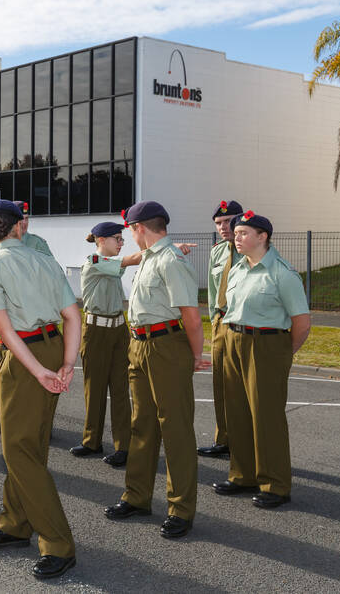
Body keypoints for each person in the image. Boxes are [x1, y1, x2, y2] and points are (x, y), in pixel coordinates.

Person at [0, 199, 80, 581]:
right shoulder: (46, 261)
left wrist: (36, 371)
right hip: (51, 344)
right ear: (21, 226)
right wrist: (66, 364)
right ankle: (15, 523)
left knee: (18, 451)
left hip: (25, 356)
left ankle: (58, 543)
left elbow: (5, 331)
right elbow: (72, 315)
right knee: (30, 444)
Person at [104, 201, 208, 541]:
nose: (129, 236)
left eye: (129, 230)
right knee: (142, 425)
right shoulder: (151, 257)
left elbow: (190, 315)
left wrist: (196, 355)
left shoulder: (169, 260)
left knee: (175, 428)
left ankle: (180, 509)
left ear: (139, 228)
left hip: (166, 348)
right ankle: (137, 497)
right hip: (140, 345)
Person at [212, 211, 311, 509]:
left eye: (243, 232)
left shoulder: (283, 273)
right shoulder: (238, 268)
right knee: (236, 412)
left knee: (266, 417)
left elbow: (302, 323)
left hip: (267, 345)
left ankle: (275, 484)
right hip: (234, 339)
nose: (235, 236)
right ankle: (243, 475)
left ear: (262, 236)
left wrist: (282, 354)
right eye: (236, 232)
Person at [0, 200, 53, 431]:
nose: (25, 223)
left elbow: (48, 279)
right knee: (6, 370)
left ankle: (41, 426)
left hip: (29, 322)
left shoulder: (37, 244)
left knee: (36, 380)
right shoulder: (1, 242)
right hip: (7, 321)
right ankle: (2, 415)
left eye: (28, 219)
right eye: (23, 218)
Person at [71, 222, 139, 467]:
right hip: (96, 330)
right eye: (117, 239)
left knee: (121, 389)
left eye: (122, 239)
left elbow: (126, 262)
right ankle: (92, 441)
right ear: (100, 240)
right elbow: (130, 261)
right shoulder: (94, 261)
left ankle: (124, 446)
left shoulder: (112, 264)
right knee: (95, 388)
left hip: (119, 329)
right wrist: (160, 249)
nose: (121, 243)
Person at [200, 199, 245, 459]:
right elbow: (212, 289)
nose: (222, 227)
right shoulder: (217, 252)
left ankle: (243, 442)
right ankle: (223, 440)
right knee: (221, 385)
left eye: (227, 222)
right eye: (218, 223)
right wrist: (214, 320)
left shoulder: (249, 249)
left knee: (241, 385)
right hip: (221, 323)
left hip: (242, 324)